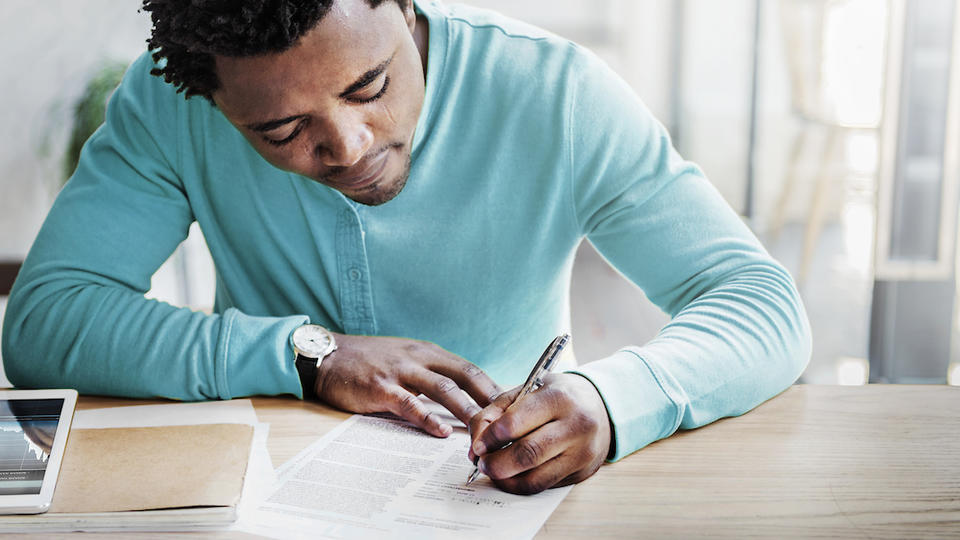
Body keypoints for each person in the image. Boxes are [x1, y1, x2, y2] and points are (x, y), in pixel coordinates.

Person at [2, 0, 811, 495]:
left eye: (370, 86)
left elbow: (760, 305)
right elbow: (45, 324)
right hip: (256, 500)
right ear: (215, 102)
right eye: (282, 131)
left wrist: (613, 399)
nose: (350, 146)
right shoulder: (167, 105)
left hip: (508, 494)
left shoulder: (554, 90)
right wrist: (302, 353)